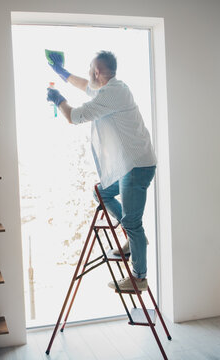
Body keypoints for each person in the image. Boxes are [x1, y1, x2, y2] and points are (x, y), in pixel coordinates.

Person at [46, 50, 157, 292]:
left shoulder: (113, 93)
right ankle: (133, 237)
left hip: (137, 167)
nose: (88, 74)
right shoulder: (111, 88)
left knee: (133, 221)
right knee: (102, 193)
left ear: (98, 72)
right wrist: (62, 73)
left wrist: (58, 100)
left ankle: (139, 278)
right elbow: (86, 85)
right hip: (130, 166)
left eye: (90, 69)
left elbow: (75, 116)